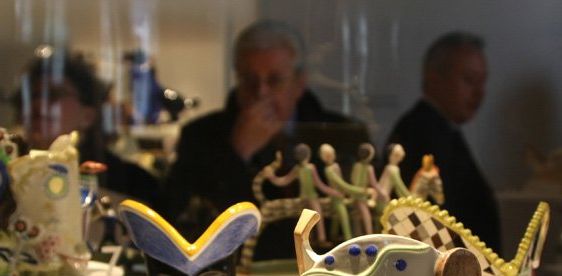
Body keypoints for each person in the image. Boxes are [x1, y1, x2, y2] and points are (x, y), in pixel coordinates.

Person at [163, 19, 368, 259]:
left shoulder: (342, 133)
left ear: (299, 83)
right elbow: (180, 221)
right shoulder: (200, 135)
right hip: (240, 265)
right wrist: (237, 152)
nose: (261, 92)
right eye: (250, 80)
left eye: (275, 80)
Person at [385, 31, 501, 252]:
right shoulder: (423, 131)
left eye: (483, 82)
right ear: (434, 77)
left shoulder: (441, 128)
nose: (480, 92)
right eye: (469, 80)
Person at [8, 46, 160, 205]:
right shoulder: (7, 174)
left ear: (88, 115)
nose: (38, 104)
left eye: (53, 95)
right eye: (32, 96)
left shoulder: (133, 183)